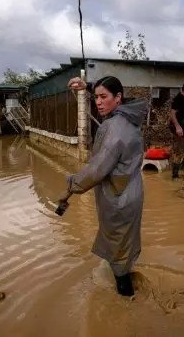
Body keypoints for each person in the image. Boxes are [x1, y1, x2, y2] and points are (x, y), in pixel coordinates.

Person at [62, 75, 148, 297]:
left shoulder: (112, 128)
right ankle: (127, 286)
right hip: (132, 190)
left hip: (119, 199)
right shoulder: (131, 117)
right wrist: (88, 87)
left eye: (103, 97)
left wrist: (72, 183)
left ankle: (125, 304)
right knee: (124, 247)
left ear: (118, 98)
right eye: (96, 97)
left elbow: (96, 170)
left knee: (118, 255)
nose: (98, 102)